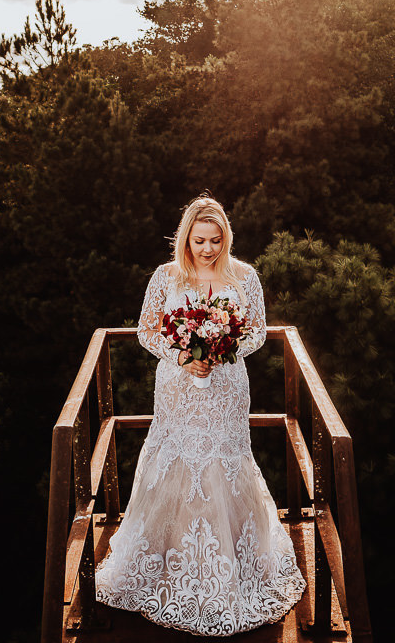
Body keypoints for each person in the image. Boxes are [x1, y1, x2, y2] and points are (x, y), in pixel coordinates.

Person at [94, 196, 306, 636]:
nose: (208, 248)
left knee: (223, 464)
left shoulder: (245, 276)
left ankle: (232, 572)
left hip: (227, 390)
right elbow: (147, 331)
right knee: (176, 462)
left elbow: (258, 332)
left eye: (216, 240)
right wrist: (182, 355)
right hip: (177, 390)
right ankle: (166, 564)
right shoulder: (166, 276)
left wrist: (220, 351)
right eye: (200, 240)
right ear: (186, 238)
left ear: (226, 237)